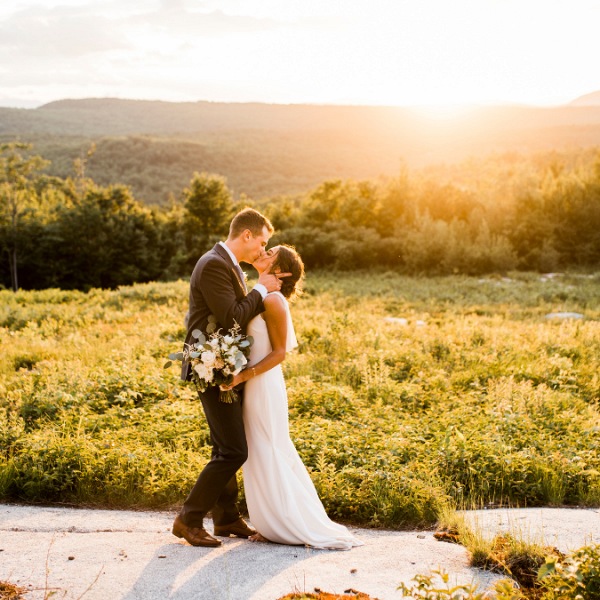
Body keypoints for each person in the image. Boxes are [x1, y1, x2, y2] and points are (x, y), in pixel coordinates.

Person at [222, 245, 363, 550]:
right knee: (260, 450)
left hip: (263, 384)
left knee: (267, 447)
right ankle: (273, 523)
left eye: (270, 251)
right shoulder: (260, 294)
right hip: (254, 383)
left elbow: (279, 353)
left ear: (282, 271)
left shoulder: (273, 300)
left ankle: (284, 525)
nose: (263, 251)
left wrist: (243, 376)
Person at [172, 208, 290, 547]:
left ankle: (226, 518)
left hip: (225, 367)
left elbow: (234, 313)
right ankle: (188, 518)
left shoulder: (229, 265)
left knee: (223, 446)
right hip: (210, 368)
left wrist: (257, 278)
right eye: (262, 242)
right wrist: (261, 288)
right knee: (234, 451)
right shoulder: (213, 265)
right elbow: (230, 320)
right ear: (247, 235)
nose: (263, 249)